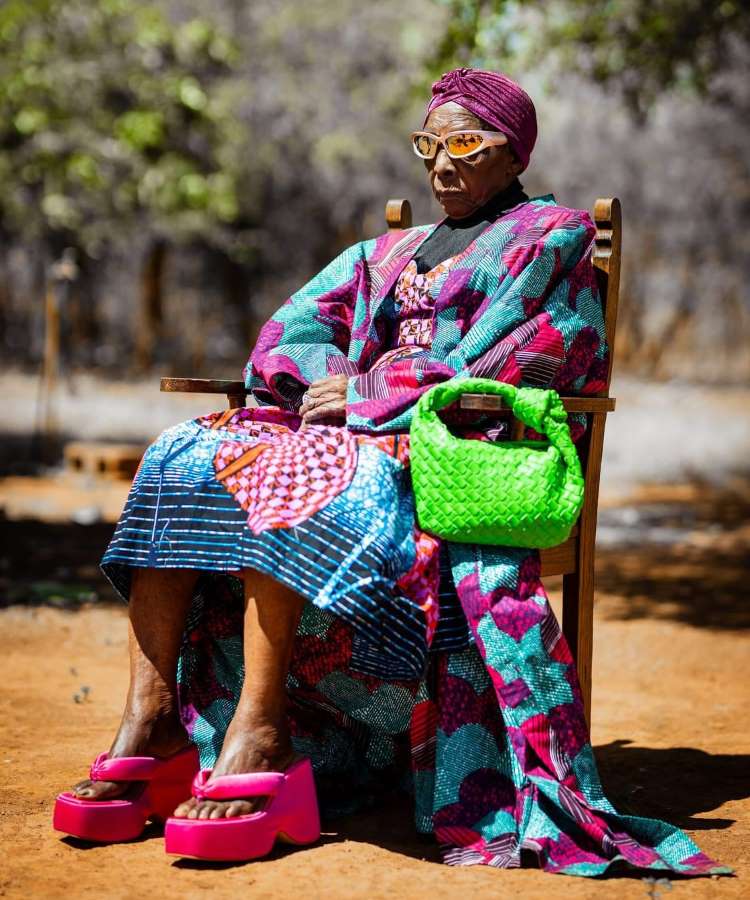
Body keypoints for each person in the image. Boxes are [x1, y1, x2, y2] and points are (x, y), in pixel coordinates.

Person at [54, 68, 728, 876]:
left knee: (294, 472)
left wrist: (374, 395)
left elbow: (537, 358)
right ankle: (152, 720)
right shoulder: (387, 249)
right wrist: (313, 387)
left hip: (443, 449)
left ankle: (262, 730)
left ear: (513, 155)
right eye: (429, 145)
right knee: (182, 452)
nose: (443, 164)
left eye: (465, 145)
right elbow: (294, 324)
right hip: (347, 436)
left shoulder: (550, 236)